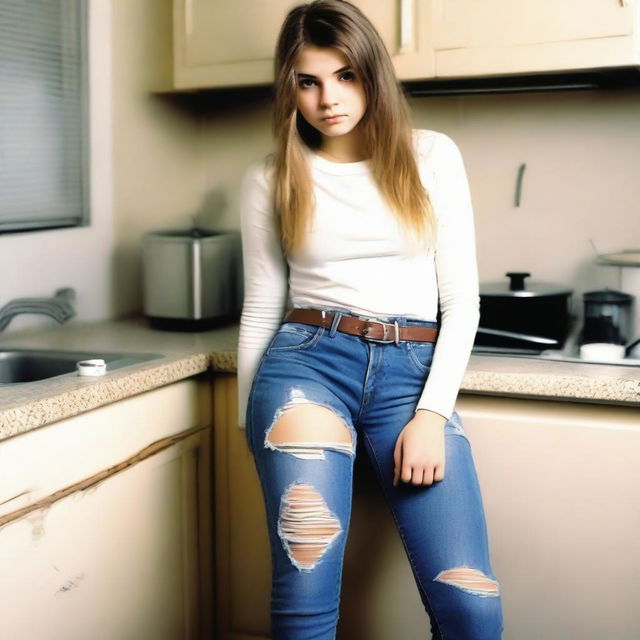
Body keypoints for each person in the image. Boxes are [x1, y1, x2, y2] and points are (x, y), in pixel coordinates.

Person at [237, 1, 503, 638]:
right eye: (309, 80)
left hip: (411, 375)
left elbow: (462, 300)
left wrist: (432, 414)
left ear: (372, 75)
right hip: (304, 366)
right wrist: (252, 432)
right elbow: (259, 310)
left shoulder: (431, 155)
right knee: (304, 601)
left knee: (471, 605)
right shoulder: (271, 177)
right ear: (290, 88)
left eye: (346, 75)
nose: (329, 97)